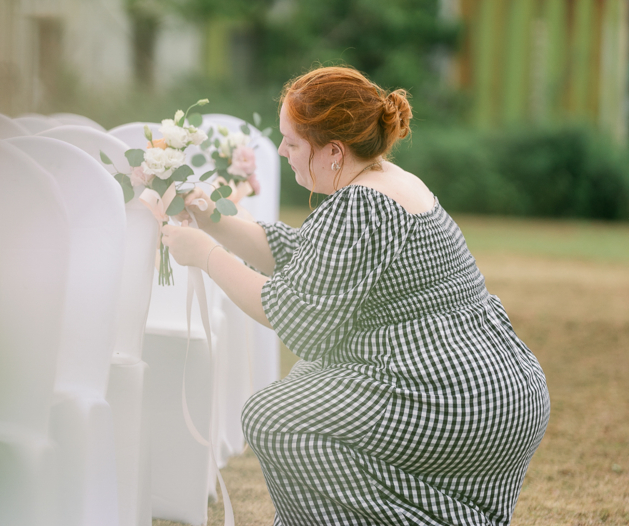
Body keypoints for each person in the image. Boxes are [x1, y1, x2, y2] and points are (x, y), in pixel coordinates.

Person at [161, 66, 550, 526]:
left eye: (292, 142)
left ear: (333, 151)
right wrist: (215, 221)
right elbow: (304, 258)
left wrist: (205, 255)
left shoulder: (362, 203)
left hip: (452, 397)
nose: (282, 151)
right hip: (497, 388)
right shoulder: (388, 180)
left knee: (275, 417)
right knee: (304, 389)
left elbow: (292, 313)